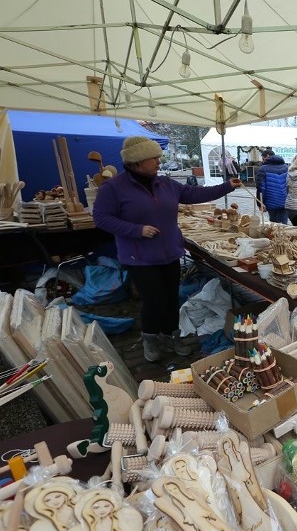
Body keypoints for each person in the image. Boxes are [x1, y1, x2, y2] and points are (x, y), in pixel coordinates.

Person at [93, 136, 240, 362]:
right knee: (154, 300)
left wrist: (226, 186)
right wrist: (137, 230)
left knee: (171, 299)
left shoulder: (165, 183)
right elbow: (101, 218)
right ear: (137, 162)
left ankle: (172, 336)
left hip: (169, 252)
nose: (159, 162)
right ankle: (150, 337)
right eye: (154, 158)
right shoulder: (114, 188)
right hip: (139, 257)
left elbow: (193, 195)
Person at [257, 149, 288, 223]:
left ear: (267, 156)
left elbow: (261, 188)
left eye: (263, 158)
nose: (262, 160)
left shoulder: (263, 169)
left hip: (270, 202)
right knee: (283, 226)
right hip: (284, 202)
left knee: (273, 226)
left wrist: (260, 203)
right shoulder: (286, 167)